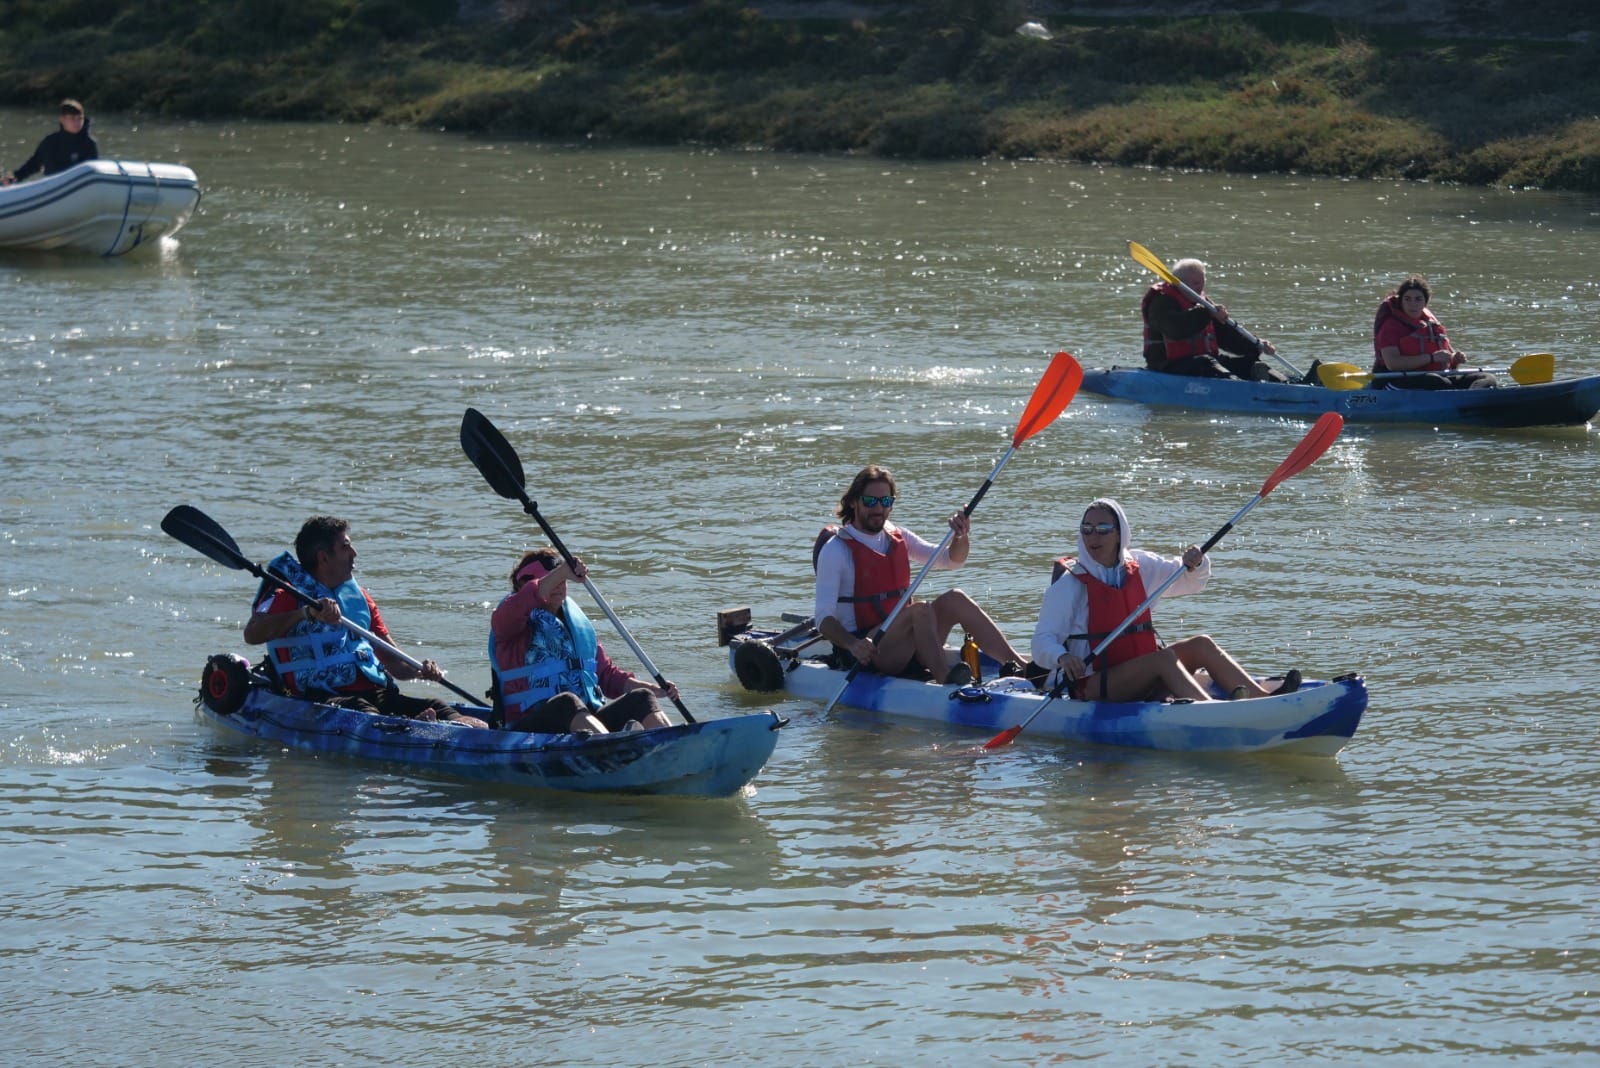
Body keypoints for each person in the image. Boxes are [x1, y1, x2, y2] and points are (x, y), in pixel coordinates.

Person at [1031, 498, 1300, 703]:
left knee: (1201, 644)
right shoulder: (1071, 585)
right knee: (1163, 659)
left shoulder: (1141, 566)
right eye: (1087, 529)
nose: (1093, 536)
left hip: (1141, 674)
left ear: (1119, 534)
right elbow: (1042, 641)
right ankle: (1210, 712)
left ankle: (1262, 701)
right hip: (1092, 684)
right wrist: (1062, 657)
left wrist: (1196, 563)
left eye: (1102, 528)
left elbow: (1191, 581)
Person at [243, 515, 487, 728]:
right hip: (323, 698)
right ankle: (415, 728)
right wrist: (305, 613)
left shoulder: (360, 599)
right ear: (324, 558)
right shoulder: (288, 595)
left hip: (376, 694)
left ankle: (454, 726)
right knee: (362, 710)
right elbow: (252, 634)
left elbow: (395, 663)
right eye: (345, 547)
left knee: (437, 704)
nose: (354, 553)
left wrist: (421, 670)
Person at [813, 464, 1024, 686]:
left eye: (885, 501)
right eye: (870, 501)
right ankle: (945, 681)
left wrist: (960, 536)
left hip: (905, 645)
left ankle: (1023, 668)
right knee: (920, 610)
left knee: (956, 598)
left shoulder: (898, 536)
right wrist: (852, 645)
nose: (878, 508)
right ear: (853, 502)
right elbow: (823, 619)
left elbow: (953, 560)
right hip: (867, 652)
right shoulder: (836, 550)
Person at [489, 548, 678, 734]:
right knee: (566, 702)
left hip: (584, 721)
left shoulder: (575, 625)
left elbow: (607, 676)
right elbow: (526, 599)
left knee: (642, 698)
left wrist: (654, 689)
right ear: (522, 584)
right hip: (529, 728)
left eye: (563, 580)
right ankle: (609, 747)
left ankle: (671, 743)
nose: (559, 585)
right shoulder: (508, 619)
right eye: (552, 579)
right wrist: (563, 571)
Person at [1142, 257, 1289, 382]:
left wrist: (1256, 345)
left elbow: (1226, 336)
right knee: (1206, 362)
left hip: (1204, 362)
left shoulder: (1202, 303)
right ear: (1179, 284)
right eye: (1195, 283)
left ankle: (1287, 383)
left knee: (1248, 363)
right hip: (1168, 365)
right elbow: (1175, 330)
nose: (1200, 287)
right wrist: (1207, 313)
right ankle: (1238, 386)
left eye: (1202, 282)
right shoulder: (1161, 302)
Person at [1371, 275, 1498, 390]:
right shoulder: (1390, 326)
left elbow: (1447, 357)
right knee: (1437, 381)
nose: (1412, 304)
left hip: (1438, 377)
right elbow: (1393, 364)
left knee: (1486, 378)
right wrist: (1431, 358)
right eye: (1407, 299)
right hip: (1396, 380)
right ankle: (1460, 400)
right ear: (1401, 301)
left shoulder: (1431, 324)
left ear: (1425, 302)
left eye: (1418, 299)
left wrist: (1455, 358)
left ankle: (1473, 397)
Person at [2, 99, 98, 186]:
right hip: (52, 188)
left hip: (79, 187)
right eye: (72, 118)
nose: (77, 122)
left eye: (80, 118)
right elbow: (34, 164)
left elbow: (92, 171)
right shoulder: (50, 142)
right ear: (62, 119)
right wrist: (15, 177)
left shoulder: (88, 144)